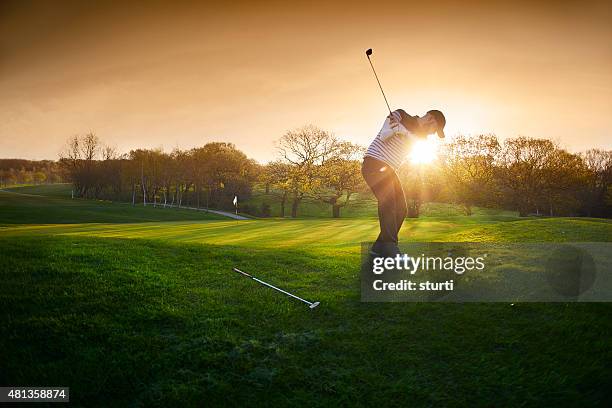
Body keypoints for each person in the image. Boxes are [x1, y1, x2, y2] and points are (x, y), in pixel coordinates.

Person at [362, 109, 446, 257]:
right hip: (374, 163)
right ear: (431, 120)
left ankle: (378, 248)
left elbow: (415, 141)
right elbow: (384, 135)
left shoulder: (422, 138)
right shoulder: (400, 114)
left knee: (401, 209)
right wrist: (397, 130)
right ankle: (391, 249)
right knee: (388, 203)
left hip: (389, 170)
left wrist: (402, 131)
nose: (433, 134)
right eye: (435, 130)